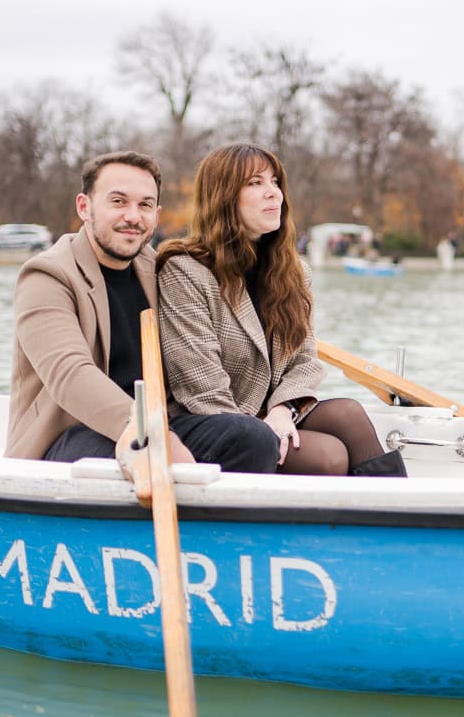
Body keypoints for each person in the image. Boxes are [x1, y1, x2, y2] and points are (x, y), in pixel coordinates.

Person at [6, 150, 278, 473]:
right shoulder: (47, 275)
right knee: (143, 455)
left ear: (157, 214)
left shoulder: (159, 267)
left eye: (145, 205)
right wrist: (154, 433)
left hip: (158, 425)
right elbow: (71, 375)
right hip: (70, 437)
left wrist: (278, 407)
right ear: (84, 206)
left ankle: (213, 523)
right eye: (118, 202)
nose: (133, 216)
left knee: (252, 437)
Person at [156, 143, 407, 477]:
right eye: (256, 183)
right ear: (223, 196)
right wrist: (260, 429)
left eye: (275, 182)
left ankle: (396, 516)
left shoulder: (293, 272)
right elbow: (200, 382)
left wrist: (283, 409)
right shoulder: (185, 270)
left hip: (270, 412)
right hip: (213, 423)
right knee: (329, 456)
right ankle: (383, 521)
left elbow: (305, 359)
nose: (273, 194)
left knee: (349, 414)